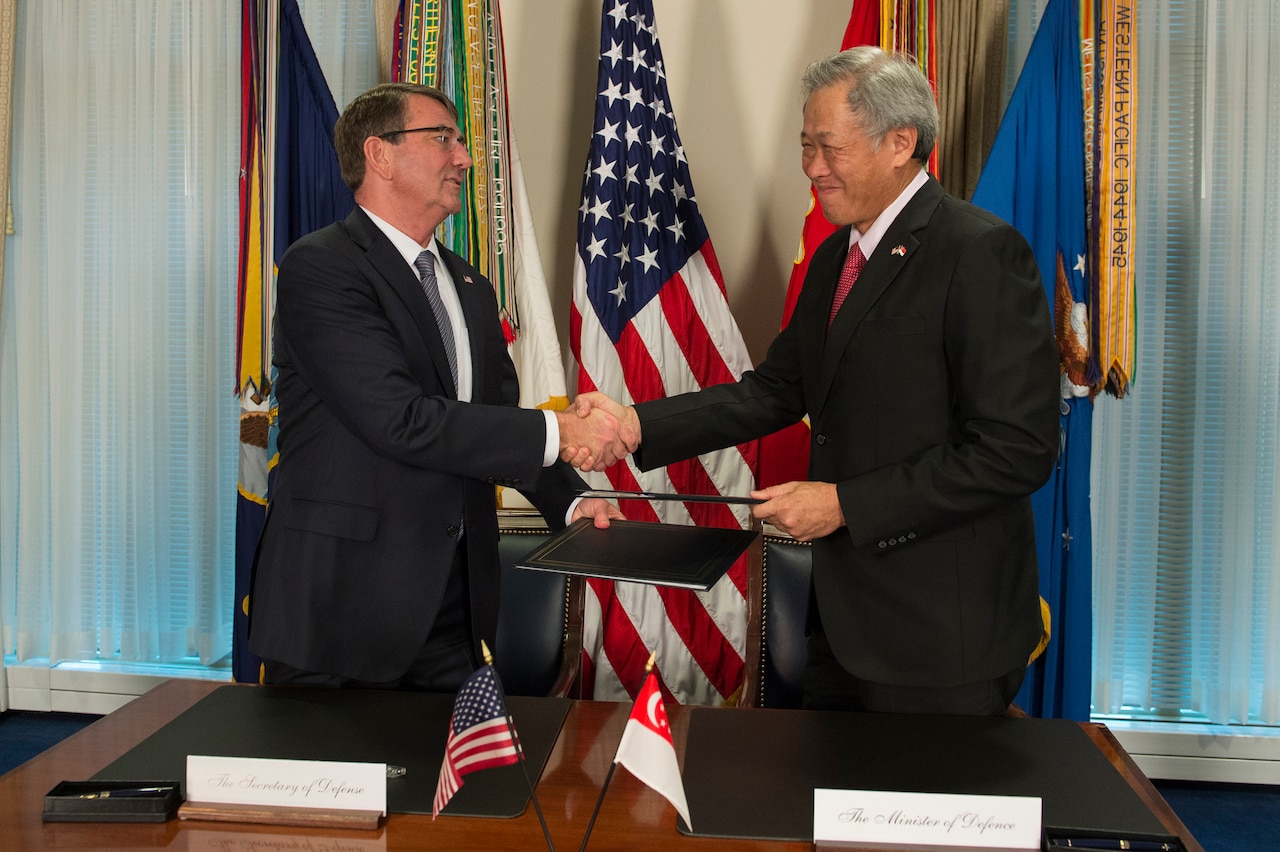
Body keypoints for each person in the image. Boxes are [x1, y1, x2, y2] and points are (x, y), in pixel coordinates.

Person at [574, 47, 1060, 716]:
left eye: (828, 147)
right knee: (827, 812)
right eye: (805, 146)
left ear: (901, 142)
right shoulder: (838, 255)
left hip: (942, 635)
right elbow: (774, 390)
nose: (811, 168)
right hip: (842, 623)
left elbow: (1017, 451)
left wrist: (844, 506)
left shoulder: (979, 254)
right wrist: (636, 425)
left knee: (923, 820)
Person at [248, 82, 630, 691]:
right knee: (342, 785)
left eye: (461, 140)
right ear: (380, 155)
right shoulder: (321, 268)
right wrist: (562, 430)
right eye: (443, 138)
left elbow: (496, 419)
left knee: (459, 787)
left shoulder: (469, 284)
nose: (465, 157)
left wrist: (572, 500)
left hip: (456, 610)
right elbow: (400, 419)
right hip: (340, 611)